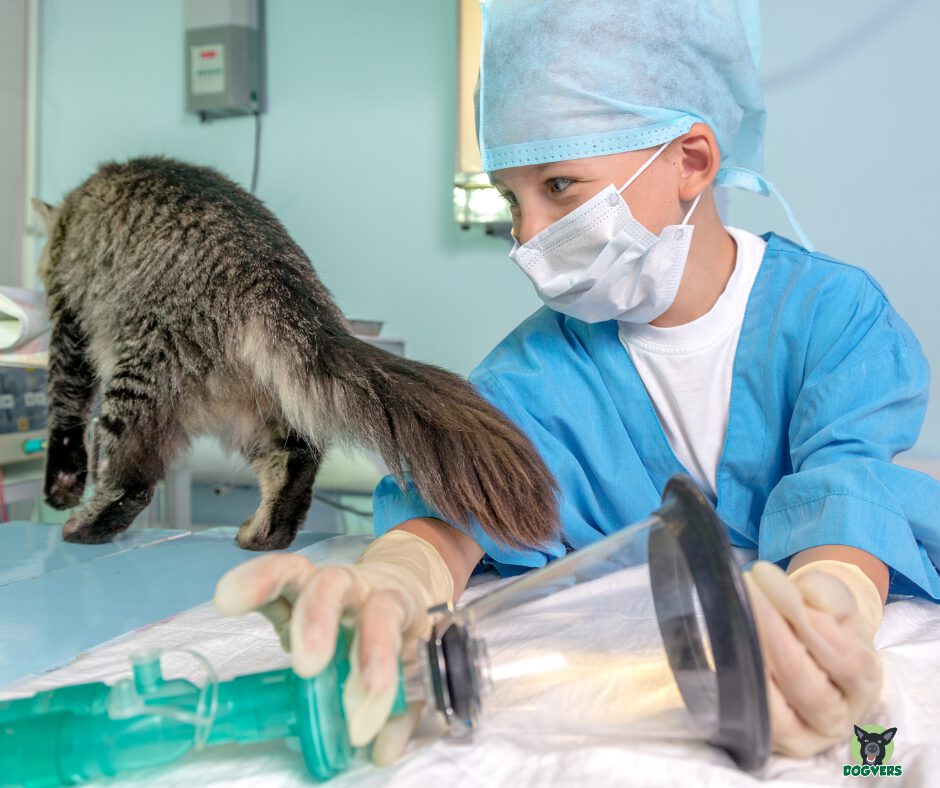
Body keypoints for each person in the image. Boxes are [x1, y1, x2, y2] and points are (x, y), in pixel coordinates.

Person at [214, 0, 940, 765]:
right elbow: (459, 504)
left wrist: (834, 604)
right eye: (510, 198)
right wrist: (395, 584)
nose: (527, 233)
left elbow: (849, 480)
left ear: (691, 161)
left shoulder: (831, 316)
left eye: (559, 185)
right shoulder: (526, 382)